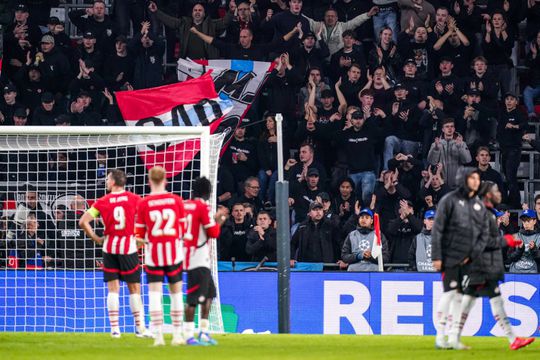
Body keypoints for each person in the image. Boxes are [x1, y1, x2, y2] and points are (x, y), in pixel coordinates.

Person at [449, 181, 535, 351]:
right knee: (481, 301)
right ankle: (453, 336)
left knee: (479, 301)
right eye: (495, 190)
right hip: (480, 265)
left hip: (483, 264)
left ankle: (454, 337)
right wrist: (507, 240)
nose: (499, 193)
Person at [79, 169, 151, 339]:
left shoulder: (102, 201)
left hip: (109, 247)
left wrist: (96, 238)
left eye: (107, 179)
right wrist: (142, 238)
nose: (106, 182)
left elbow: (82, 221)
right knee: (134, 289)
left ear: (113, 182)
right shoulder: (135, 199)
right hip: (128, 247)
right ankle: (140, 328)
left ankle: (115, 329)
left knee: (113, 290)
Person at [431, 167, 487, 349]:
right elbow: (437, 229)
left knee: (459, 297)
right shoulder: (449, 200)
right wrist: (437, 256)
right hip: (450, 256)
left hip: (468, 258)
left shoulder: (477, 204)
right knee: (449, 294)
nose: (476, 182)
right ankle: (440, 335)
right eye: (473, 178)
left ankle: (454, 336)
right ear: (464, 180)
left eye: (478, 179)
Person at [134, 166, 185, 346]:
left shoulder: (144, 203)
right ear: (166, 180)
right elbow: (182, 229)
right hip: (173, 253)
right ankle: (178, 335)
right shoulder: (176, 201)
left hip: (153, 254)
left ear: (149, 181)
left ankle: (159, 337)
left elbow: (139, 236)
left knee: (155, 294)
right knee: (176, 293)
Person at [183, 177, 227, 346]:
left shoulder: (185, 205)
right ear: (208, 192)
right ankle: (188, 334)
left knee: (209, 294)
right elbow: (213, 233)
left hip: (194, 255)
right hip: (198, 258)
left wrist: (214, 218)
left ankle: (204, 331)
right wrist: (221, 219)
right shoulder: (202, 207)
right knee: (194, 298)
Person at [427, 117, 472, 189]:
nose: (450, 128)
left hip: (457, 184)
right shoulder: (436, 144)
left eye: (452, 126)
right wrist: (436, 149)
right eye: (447, 126)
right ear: (443, 129)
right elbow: (432, 162)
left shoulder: (461, 143)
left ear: (454, 129)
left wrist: (460, 147)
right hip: (441, 183)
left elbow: (467, 160)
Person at [507, 209, 540, 273]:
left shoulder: (539, 237)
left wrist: (534, 249)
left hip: (533, 274)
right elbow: (509, 258)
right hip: (515, 273)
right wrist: (519, 250)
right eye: (524, 221)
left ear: (534, 221)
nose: (526, 223)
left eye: (528, 220)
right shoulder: (515, 236)